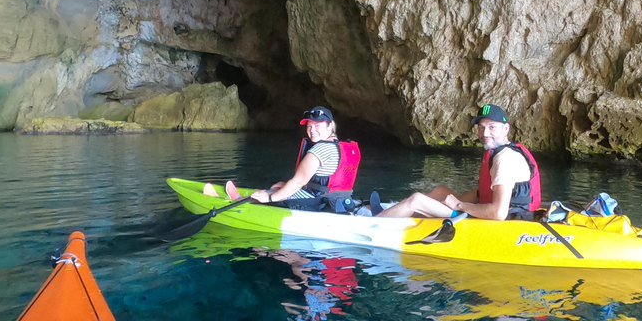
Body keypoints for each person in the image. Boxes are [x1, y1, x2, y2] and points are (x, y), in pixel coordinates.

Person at [375, 104, 540, 221]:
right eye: (481, 127)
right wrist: (452, 201)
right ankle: (400, 212)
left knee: (417, 200)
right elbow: (482, 193)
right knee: (441, 191)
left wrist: (459, 205)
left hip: (509, 220)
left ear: (506, 128)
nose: (485, 133)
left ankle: (373, 222)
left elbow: (498, 213)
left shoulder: (505, 159)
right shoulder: (500, 152)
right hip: (490, 211)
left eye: (492, 127)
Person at [205, 106, 361, 210]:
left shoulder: (320, 149)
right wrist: (281, 188)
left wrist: (270, 197)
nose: (312, 130)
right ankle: (243, 198)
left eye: (317, 126)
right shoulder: (339, 146)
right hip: (337, 199)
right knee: (279, 186)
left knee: (270, 194)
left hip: (318, 202)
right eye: (309, 126)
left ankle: (234, 203)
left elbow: (298, 182)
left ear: (330, 126)